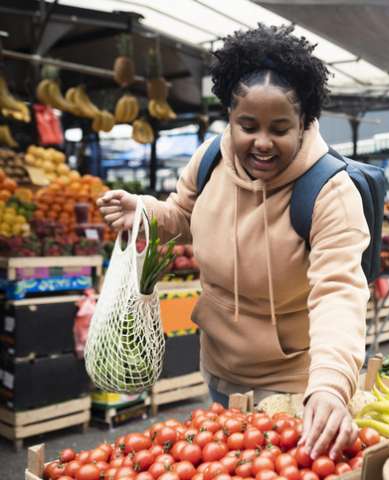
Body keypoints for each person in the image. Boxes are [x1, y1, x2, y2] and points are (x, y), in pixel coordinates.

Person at [97, 25, 369, 461]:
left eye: (280, 128)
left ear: (304, 123)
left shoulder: (331, 192)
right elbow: (185, 216)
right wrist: (145, 212)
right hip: (220, 368)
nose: (261, 143)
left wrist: (331, 386)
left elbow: (339, 292)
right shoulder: (209, 161)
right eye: (247, 126)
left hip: (293, 382)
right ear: (230, 117)